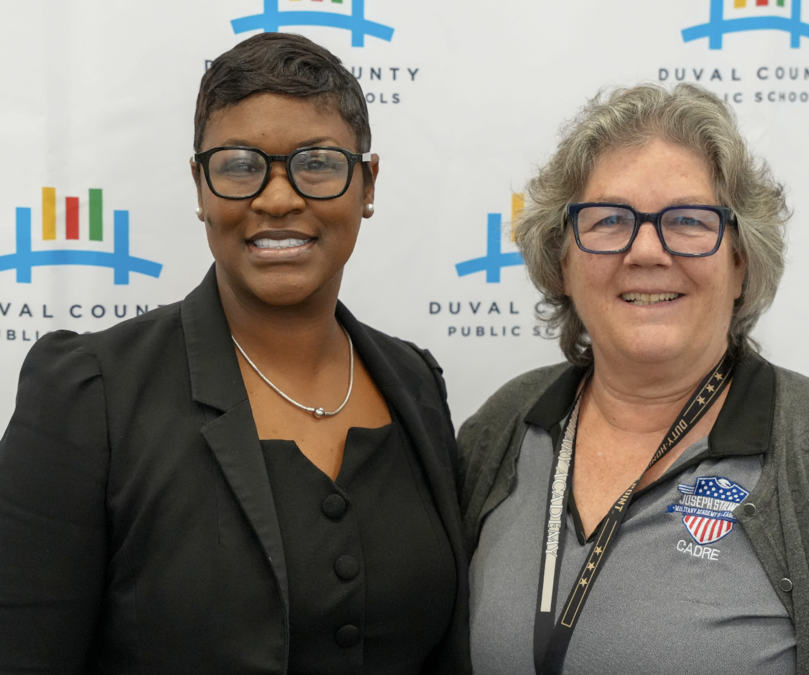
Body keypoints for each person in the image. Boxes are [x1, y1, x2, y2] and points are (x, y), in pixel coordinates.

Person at [458, 83, 809, 674]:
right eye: (610, 219)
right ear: (562, 258)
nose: (646, 250)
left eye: (689, 220)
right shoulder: (506, 427)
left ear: (741, 261)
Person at [0, 33, 469, 674]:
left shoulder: (415, 384)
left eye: (319, 163)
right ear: (200, 185)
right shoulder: (90, 394)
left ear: (367, 183)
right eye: (241, 165)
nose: (278, 198)